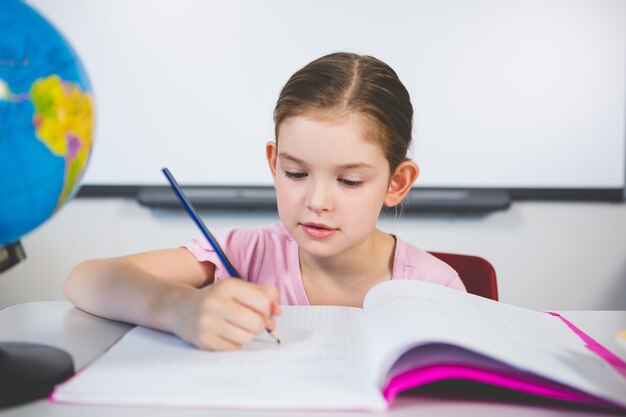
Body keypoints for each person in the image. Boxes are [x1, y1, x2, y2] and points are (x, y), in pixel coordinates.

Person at [64, 52, 466, 352]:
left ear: (397, 182)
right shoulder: (241, 252)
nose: (317, 202)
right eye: (296, 174)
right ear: (274, 164)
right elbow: (85, 279)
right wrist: (178, 308)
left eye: (349, 180)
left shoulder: (436, 286)